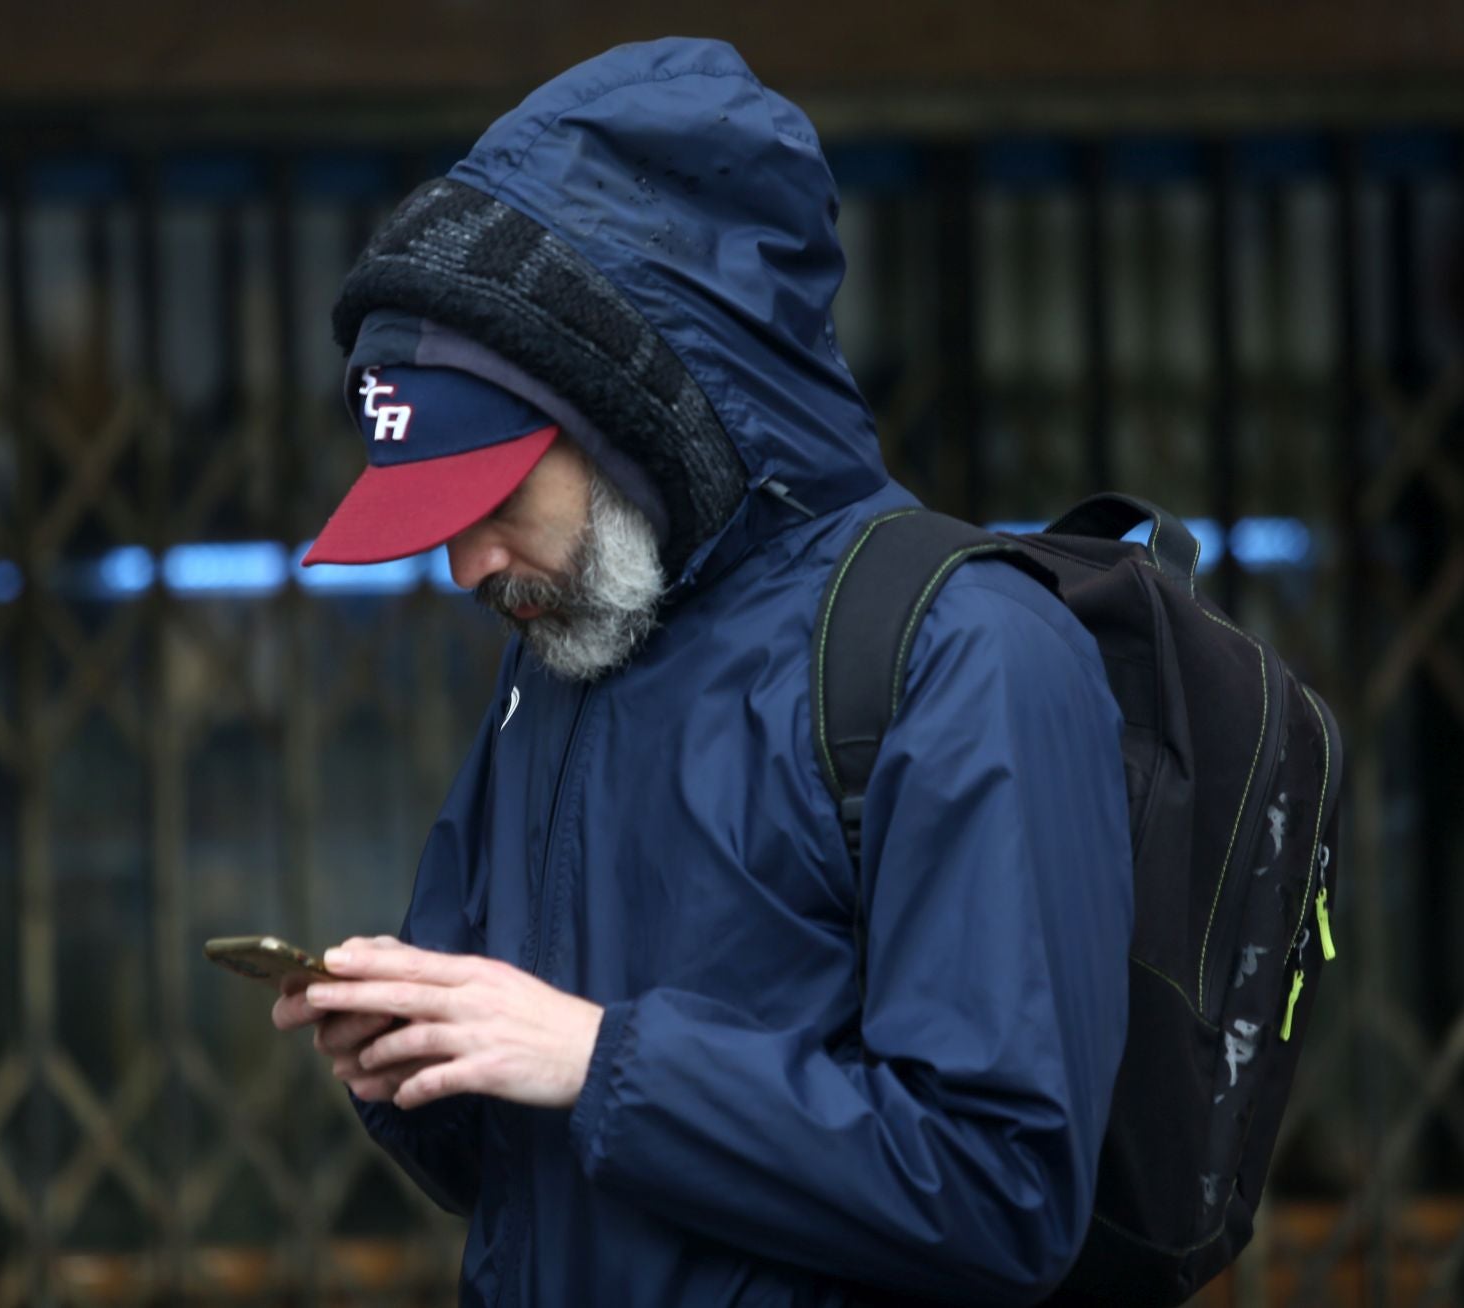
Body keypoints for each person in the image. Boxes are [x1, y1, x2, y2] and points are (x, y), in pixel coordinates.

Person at [270, 36, 1134, 1307]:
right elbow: (519, 1163)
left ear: (636, 407)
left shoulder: (966, 654)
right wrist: (415, 1064)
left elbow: (1004, 1190)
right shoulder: (567, 654)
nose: (463, 570)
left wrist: (596, 1058)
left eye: (493, 495)